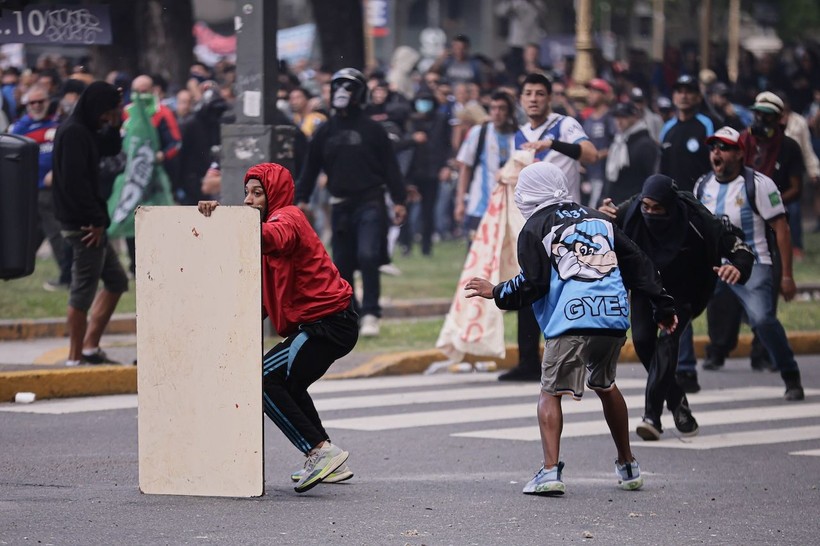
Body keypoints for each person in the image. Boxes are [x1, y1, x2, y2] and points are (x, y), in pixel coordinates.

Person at [465, 161, 677, 495]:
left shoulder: (535, 228)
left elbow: (534, 283)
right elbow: (637, 261)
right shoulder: (599, 219)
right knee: (606, 385)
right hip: (611, 317)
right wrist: (662, 304)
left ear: (529, 195)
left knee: (550, 392)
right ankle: (628, 464)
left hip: (570, 319)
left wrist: (498, 292)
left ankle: (550, 472)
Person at [198, 163, 357, 493]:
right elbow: (270, 297)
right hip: (329, 324)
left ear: (275, 194)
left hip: (324, 326)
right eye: (246, 193)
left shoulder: (287, 218)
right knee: (289, 386)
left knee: (264, 381)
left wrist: (224, 220)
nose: (248, 201)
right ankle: (326, 457)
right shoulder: (275, 224)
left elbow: (275, 236)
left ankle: (319, 451)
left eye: (258, 193)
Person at [599, 174, 754, 440]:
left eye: (657, 208)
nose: (649, 212)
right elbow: (604, 223)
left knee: (668, 343)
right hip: (646, 287)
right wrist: (605, 215)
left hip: (683, 291)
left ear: (670, 206)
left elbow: (737, 245)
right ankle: (678, 402)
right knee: (643, 342)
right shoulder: (633, 209)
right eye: (646, 206)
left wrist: (737, 266)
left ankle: (652, 417)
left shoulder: (695, 218)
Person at [499, 72, 598, 382]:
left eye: (539, 93)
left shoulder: (564, 125)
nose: (533, 98)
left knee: (568, 289)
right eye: (528, 93)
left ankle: (580, 360)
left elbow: (592, 155)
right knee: (529, 285)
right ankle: (528, 360)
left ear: (549, 97)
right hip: (530, 223)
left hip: (567, 223)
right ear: (520, 98)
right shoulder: (519, 134)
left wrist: (554, 143)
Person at [694, 127, 805, 401]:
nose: (716, 152)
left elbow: (782, 228)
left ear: (740, 153)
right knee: (677, 311)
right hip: (716, 266)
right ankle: (681, 374)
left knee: (762, 319)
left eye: (725, 147)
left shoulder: (760, 184)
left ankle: (790, 374)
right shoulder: (702, 185)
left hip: (754, 264)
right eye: (713, 147)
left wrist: (787, 276)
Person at [295, 68, 407, 338]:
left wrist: (399, 199)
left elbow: (391, 167)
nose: (343, 91)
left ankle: (371, 313)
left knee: (369, 256)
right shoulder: (325, 132)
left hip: (370, 202)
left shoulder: (373, 130)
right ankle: (353, 312)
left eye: (349, 86)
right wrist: (301, 199)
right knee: (342, 264)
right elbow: (310, 168)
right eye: (338, 86)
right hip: (340, 205)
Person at [52, 81, 129, 367]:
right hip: (84, 227)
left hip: (91, 222)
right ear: (97, 108)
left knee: (117, 281)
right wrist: (95, 220)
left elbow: (110, 146)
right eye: (107, 111)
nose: (108, 118)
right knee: (82, 291)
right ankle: (74, 358)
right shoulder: (73, 133)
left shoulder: (84, 129)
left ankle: (89, 347)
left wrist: (116, 118)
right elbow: (75, 184)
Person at [658, 74, 717, 393]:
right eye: (678, 91)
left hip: (700, 217)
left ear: (697, 96)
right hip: (671, 220)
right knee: (676, 294)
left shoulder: (707, 126)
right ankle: (684, 368)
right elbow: (662, 173)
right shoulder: (668, 129)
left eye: (689, 91)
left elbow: (716, 169)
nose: (683, 96)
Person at [10, 84, 70, 291]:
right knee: (29, 233)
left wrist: (57, 172)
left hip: (49, 191)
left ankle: (67, 276)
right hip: (27, 190)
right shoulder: (19, 128)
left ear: (48, 102)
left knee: (53, 231)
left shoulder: (57, 124)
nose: (36, 106)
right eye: (32, 102)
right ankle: (12, 269)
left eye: (40, 101)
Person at [453, 91, 518, 240]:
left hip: (510, 206)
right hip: (480, 205)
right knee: (477, 253)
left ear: (509, 112)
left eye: (502, 108)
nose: (497, 113)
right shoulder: (479, 133)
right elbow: (465, 167)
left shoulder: (518, 135)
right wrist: (460, 202)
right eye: (493, 108)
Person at [604, 101, 659, 205]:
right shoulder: (618, 142)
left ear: (635, 117)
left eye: (623, 117)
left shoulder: (645, 144)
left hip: (636, 203)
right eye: (617, 117)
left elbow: (651, 176)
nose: (619, 121)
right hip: (617, 201)